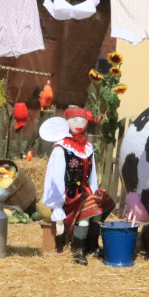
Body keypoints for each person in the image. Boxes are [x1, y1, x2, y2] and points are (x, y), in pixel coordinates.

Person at [42, 106, 114, 264]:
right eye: (74, 119)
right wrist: (57, 206)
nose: (79, 123)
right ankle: (78, 250)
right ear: (66, 122)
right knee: (86, 213)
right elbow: (55, 178)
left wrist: (95, 192)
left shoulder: (88, 147)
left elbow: (92, 174)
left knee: (99, 208)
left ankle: (92, 245)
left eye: (83, 119)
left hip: (86, 192)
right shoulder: (61, 148)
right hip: (70, 196)